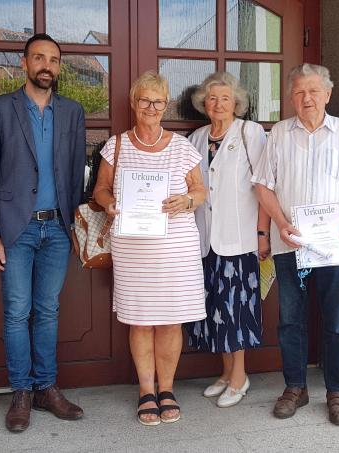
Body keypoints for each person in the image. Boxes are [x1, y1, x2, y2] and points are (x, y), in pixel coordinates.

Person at [252, 63, 339, 426]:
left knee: (336, 322)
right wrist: (280, 222)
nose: (307, 98)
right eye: (300, 92)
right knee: (291, 321)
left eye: (313, 91)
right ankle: (295, 387)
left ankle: (337, 390)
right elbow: (263, 185)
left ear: (327, 94)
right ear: (291, 96)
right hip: (291, 244)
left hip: (336, 245)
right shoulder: (278, 135)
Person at [0, 33, 87, 433]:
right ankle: (21, 392)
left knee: (48, 310)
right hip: (15, 229)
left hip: (57, 228)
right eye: (39, 58)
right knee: (17, 311)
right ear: (24, 63)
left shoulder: (72, 112)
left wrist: (73, 224)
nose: (47, 66)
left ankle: (46, 387)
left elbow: (76, 172)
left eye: (54, 60)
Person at [92, 71, 207, 426]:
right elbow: (99, 190)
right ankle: (146, 391)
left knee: (170, 321)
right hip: (133, 247)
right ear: (133, 103)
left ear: (166, 105)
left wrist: (186, 201)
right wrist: (109, 203)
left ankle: (167, 388)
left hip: (175, 249)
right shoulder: (117, 145)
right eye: (145, 100)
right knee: (141, 321)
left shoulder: (181, 146)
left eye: (158, 102)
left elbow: (201, 193)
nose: (151, 107)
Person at [186, 72, 271, 408]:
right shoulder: (195, 138)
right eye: (211, 98)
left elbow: (265, 186)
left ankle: (240, 377)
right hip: (204, 239)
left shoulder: (250, 133)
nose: (217, 104)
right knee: (213, 310)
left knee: (236, 309)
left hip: (239, 239)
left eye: (224, 98)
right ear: (203, 104)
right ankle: (224, 373)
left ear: (236, 103)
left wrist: (263, 233)